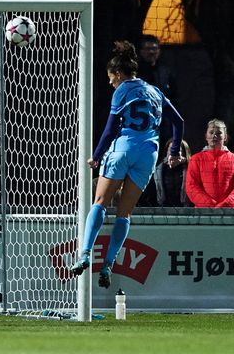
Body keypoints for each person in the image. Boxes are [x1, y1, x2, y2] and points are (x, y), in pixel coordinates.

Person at [69, 41, 184, 289]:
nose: (111, 83)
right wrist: (174, 151)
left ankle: (85, 254)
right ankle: (109, 264)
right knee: (125, 213)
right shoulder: (155, 91)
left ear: (119, 75)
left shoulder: (122, 91)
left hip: (124, 149)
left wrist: (97, 155)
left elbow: (111, 129)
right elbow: (179, 121)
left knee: (99, 203)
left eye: (111, 79)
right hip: (148, 155)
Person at [185, 119, 234, 208]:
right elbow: (191, 186)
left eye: (219, 133)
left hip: (229, 212)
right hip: (203, 212)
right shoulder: (196, 159)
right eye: (211, 132)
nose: (214, 135)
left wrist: (226, 204)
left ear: (225, 137)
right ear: (206, 136)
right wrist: (210, 205)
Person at [154, 139, 192, 207]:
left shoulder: (191, 168)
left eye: (178, 150)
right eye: (171, 149)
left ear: (183, 152)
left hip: (186, 209)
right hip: (164, 209)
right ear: (166, 152)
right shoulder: (158, 170)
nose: (173, 153)